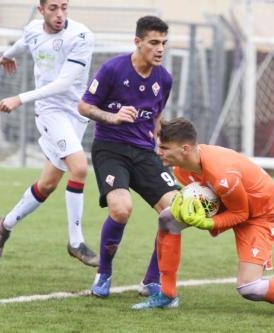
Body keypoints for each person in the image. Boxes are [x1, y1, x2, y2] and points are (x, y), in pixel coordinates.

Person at [132, 117, 274, 319]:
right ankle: (167, 295)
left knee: (249, 288)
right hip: (232, 201)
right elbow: (213, 197)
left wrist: (209, 223)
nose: (159, 152)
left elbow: (241, 213)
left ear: (185, 149)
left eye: (164, 148)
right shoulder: (181, 170)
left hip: (262, 212)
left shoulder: (222, 173)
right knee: (168, 219)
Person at [0, 0, 98, 267]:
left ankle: (5, 224)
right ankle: (76, 243)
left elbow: (64, 83)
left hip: (76, 113)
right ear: (41, 11)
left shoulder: (81, 36)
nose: (60, 14)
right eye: (53, 8)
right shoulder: (33, 29)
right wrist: (7, 54)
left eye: (64, 7)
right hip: (50, 112)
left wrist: (19, 97)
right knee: (80, 168)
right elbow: (23, 43)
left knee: (48, 183)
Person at [78, 15, 178, 298]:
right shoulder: (113, 69)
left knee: (176, 213)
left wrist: (161, 143)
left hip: (144, 153)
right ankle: (104, 274)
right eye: (154, 43)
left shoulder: (164, 78)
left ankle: (151, 280)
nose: (160, 49)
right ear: (138, 42)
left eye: (164, 43)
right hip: (111, 148)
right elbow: (84, 106)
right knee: (121, 208)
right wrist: (112, 116)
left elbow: (156, 116)